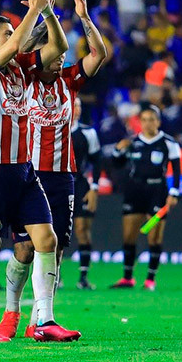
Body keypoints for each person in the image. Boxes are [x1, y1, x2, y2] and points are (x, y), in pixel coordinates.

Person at [0, 0, 78, 343]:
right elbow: (15, 46)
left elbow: (58, 47)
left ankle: (44, 320)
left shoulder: (20, 70)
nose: (17, 38)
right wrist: (34, 7)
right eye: (9, 33)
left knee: (47, 239)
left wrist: (47, 12)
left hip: (25, 170)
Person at [0, 0, 106, 340]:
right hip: (28, 174)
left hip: (62, 176)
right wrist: (40, 12)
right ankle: (11, 310)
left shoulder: (69, 81)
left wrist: (85, 17)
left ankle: (41, 319)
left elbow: (99, 53)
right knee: (25, 250)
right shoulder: (22, 78)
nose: (60, 57)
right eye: (53, 52)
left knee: (55, 249)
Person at [110, 104, 182, 291]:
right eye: (144, 120)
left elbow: (176, 170)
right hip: (135, 190)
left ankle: (150, 279)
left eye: (152, 119)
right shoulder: (132, 141)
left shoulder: (168, 142)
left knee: (154, 237)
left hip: (157, 190)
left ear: (158, 121)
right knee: (128, 235)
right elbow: (116, 164)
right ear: (139, 122)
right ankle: (127, 278)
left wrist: (174, 192)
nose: (148, 123)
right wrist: (118, 150)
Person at [70, 97, 101, 289]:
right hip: (56, 184)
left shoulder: (88, 132)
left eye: (79, 106)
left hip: (79, 183)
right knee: (53, 232)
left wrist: (94, 187)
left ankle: (83, 276)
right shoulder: (53, 128)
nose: (77, 110)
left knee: (82, 229)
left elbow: (96, 161)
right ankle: (55, 276)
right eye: (73, 105)